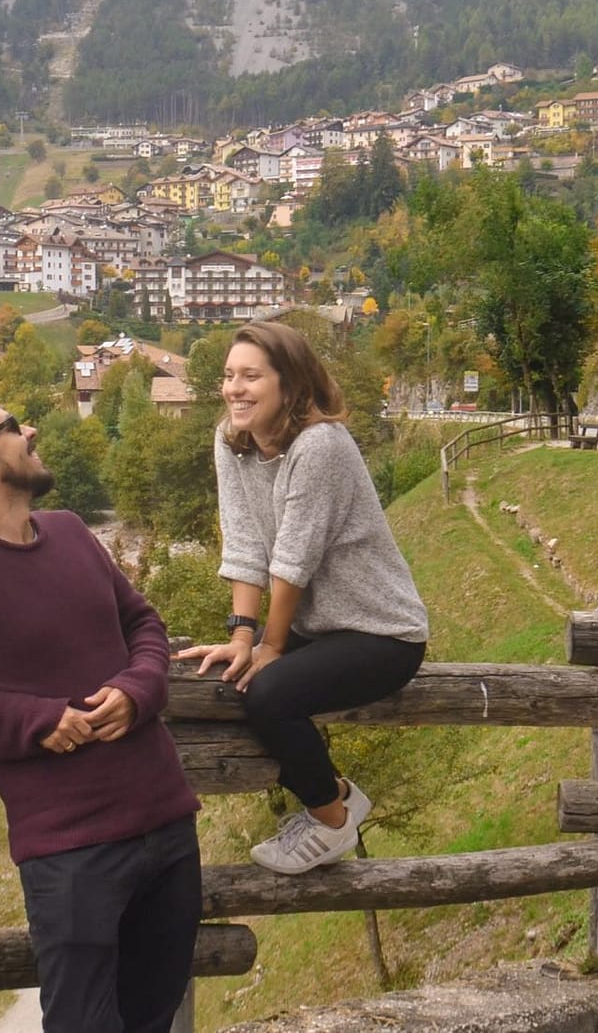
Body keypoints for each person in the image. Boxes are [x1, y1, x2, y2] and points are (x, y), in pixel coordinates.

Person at [0, 388, 202, 1033]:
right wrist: (34, 719)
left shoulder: (69, 531)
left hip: (165, 819)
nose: (30, 431)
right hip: (70, 848)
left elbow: (143, 622)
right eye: (12, 427)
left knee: (155, 1016)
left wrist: (142, 687)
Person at [177, 321, 428, 875]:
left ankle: (332, 817)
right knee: (231, 675)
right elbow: (243, 542)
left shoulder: (321, 446)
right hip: (319, 623)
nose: (233, 389)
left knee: (267, 694)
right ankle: (334, 791)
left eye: (250, 377)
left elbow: (292, 561)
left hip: (381, 631)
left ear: (288, 386)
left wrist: (270, 646)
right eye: (228, 376)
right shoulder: (231, 440)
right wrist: (242, 635)